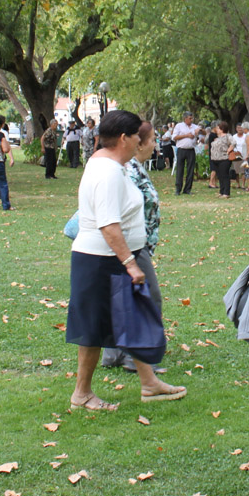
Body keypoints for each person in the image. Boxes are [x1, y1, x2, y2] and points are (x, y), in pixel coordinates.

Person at [67, 110, 186, 412]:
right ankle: (82, 394)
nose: (139, 141)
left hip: (113, 257)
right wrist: (131, 263)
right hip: (101, 259)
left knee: (131, 318)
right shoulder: (107, 172)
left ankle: (149, 383)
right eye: (135, 136)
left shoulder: (113, 165)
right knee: (93, 329)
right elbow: (108, 224)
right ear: (123, 138)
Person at [102, 121, 167, 373]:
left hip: (137, 244)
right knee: (148, 297)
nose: (155, 145)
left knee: (124, 297)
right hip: (130, 246)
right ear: (139, 143)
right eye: (152, 140)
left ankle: (115, 353)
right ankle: (135, 357)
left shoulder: (136, 168)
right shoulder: (128, 171)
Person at [172, 111, 201, 195]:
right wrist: (186, 135)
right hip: (181, 149)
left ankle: (187, 189)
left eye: (192, 118)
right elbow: (174, 137)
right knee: (180, 169)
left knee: (190, 170)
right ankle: (178, 189)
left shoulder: (194, 126)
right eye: (190, 118)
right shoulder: (179, 126)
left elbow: (204, 132)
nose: (191, 120)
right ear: (185, 119)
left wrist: (200, 130)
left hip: (191, 150)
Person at [210, 121, 234, 198]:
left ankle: (226, 193)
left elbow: (234, 143)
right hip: (216, 159)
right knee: (220, 176)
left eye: (218, 128)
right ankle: (222, 191)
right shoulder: (218, 137)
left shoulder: (227, 136)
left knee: (224, 175)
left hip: (224, 159)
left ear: (222, 129)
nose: (216, 129)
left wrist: (229, 150)